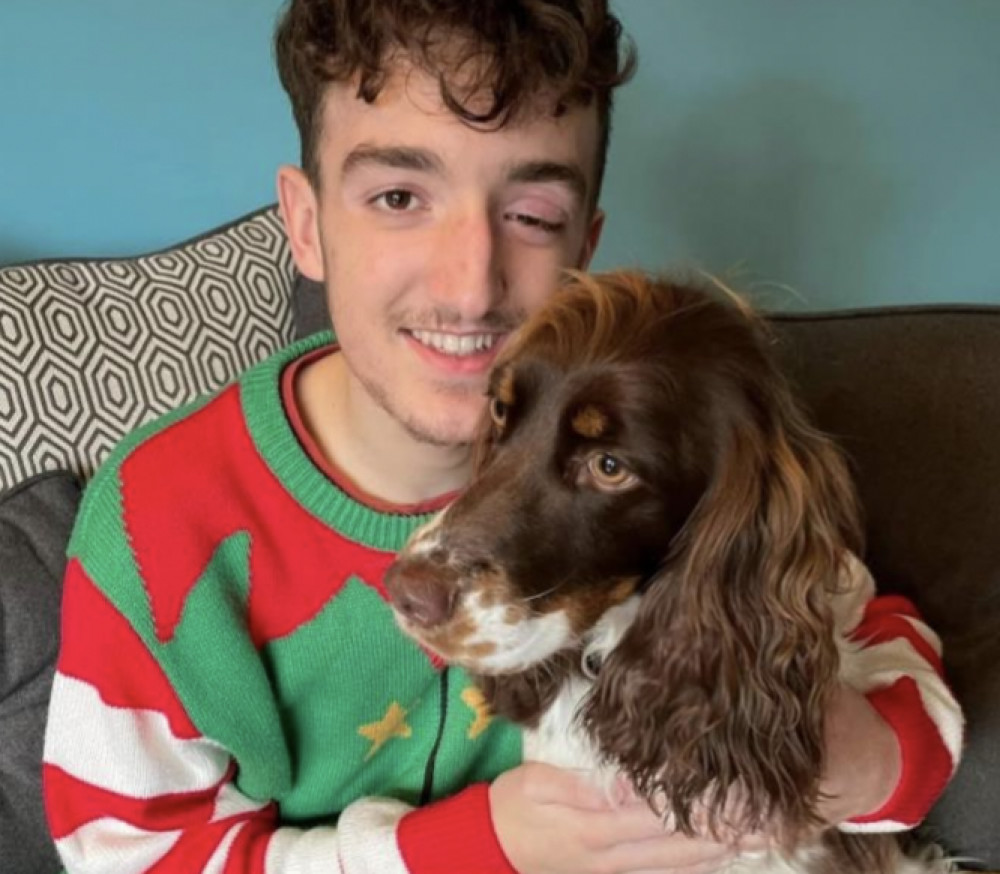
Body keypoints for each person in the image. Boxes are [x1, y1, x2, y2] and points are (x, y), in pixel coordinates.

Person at [42, 1, 962, 872]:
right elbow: (129, 857)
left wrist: (865, 761)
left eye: (530, 217)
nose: (470, 281)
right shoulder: (158, 524)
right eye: (400, 196)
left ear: (585, 252)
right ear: (307, 223)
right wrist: (481, 846)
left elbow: (856, 623)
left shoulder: (669, 453)